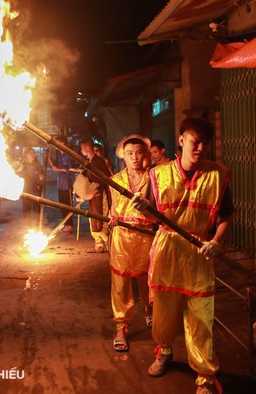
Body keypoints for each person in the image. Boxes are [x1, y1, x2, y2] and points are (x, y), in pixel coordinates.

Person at [133, 117, 233, 394]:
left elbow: (226, 216)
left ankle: (204, 376)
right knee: (164, 314)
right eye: (194, 141)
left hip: (200, 255)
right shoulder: (160, 174)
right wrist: (142, 207)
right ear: (181, 140)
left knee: (201, 319)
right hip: (168, 253)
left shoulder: (218, 174)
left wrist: (215, 240)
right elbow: (152, 216)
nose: (200, 147)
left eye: (204, 142)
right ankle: (164, 351)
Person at [107, 135, 154, 353]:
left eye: (138, 152)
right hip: (122, 238)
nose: (134, 157)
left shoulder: (154, 178)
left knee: (148, 278)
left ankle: (150, 311)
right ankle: (120, 326)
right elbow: (113, 210)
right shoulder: (114, 180)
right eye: (129, 153)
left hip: (146, 235)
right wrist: (112, 218)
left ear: (144, 154)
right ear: (122, 156)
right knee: (120, 283)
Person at [80, 138, 112, 253]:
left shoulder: (97, 161)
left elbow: (106, 178)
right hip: (94, 196)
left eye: (82, 148)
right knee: (94, 220)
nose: (81, 151)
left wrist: (95, 188)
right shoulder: (91, 161)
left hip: (100, 195)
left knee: (101, 220)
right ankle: (99, 244)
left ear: (88, 148)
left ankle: (111, 244)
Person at [48, 135, 74, 234]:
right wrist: (49, 159)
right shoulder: (60, 156)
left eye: (57, 143)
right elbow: (55, 167)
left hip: (67, 184)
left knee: (67, 205)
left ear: (62, 144)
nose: (55, 146)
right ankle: (66, 224)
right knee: (62, 205)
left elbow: (70, 169)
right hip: (61, 184)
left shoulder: (68, 156)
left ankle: (69, 225)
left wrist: (57, 169)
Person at [19, 147, 45, 228]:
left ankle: (37, 225)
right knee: (27, 209)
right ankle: (27, 226)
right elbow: (19, 175)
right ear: (26, 155)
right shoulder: (22, 165)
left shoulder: (38, 165)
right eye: (31, 153)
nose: (33, 155)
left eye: (34, 153)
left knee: (37, 208)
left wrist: (41, 176)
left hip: (36, 189)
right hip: (26, 190)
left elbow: (42, 175)